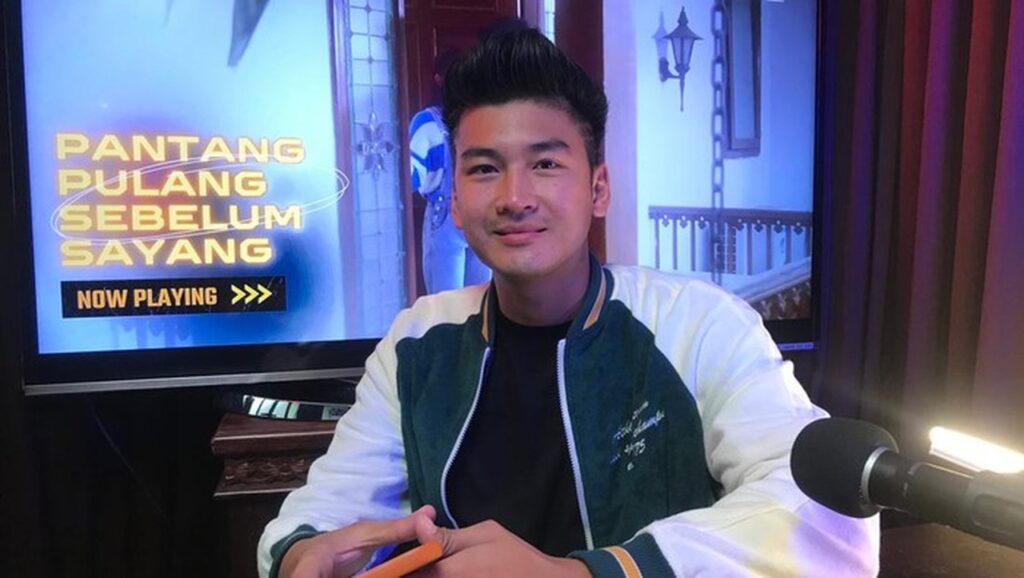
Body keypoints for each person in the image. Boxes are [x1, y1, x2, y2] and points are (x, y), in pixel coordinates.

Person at [259, 28, 879, 578]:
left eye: (547, 163)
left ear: (598, 188)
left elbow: (827, 519)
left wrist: (584, 574)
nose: (515, 196)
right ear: (456, 201)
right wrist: (301, 553)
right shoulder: (418, 341)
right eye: (484, 169)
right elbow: (325, 509)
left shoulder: (698, 325)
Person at [410, 48, 491, 294]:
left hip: (454, 214)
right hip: (473, 213)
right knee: (471, 301)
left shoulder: (429, 121)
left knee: (457, 303)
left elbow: (413, 178)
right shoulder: (481, 118)